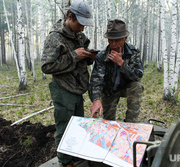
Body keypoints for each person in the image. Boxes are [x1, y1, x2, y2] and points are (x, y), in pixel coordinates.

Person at [41, 1, 97, 166]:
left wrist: (88, 57)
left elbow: (80, 59)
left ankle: (76, 155)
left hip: (78, 88)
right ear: (70, 17)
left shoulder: (79, 36)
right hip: (63, 89)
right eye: (80, 24)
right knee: (65, 128)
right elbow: (47, 66)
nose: (82, 29)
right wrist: (74, 56)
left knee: (78, 127)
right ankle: (65, 162)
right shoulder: (55, 37)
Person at [89, 19, 144, 123]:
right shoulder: (102, 56)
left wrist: (121, 63)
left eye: (117, 40)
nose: (114, 44)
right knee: (108, 122)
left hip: (125, 87)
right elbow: (96, 81)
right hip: (109, 90)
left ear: (125, 38)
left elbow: (138, 75)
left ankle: (130, 123)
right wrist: (96, 100)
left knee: (137, 86)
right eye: (111, 40)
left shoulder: (132, 52)